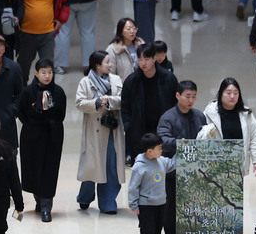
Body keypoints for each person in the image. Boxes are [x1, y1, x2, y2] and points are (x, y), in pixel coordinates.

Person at [157, 80, 205, 234]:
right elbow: (161, 139)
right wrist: (179, 143)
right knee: (172, 206)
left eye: (193, 97)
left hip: (194, 169)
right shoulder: (168, 117)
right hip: (173, 170)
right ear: (178, 96)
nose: (190, 100)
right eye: (187, 96)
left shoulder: (199, 116)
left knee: (193, 205)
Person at [76, 51, 126, 214]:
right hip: (93, 130)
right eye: (107, 62)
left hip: (111, 129)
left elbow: (123, 99)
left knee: (110, 166)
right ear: (97, 65)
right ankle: (85, 196)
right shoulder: (85, 82)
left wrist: (109, 100)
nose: (110, 65)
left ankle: (107, 202)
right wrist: (96, 103)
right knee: (92, 166)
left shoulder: (116, 80)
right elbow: (80, 103)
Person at [17, 59, 67, 222]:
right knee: (32, 169)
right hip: (32, 136)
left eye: (50, 72)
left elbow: (62, 115)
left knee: (49, 171)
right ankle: (39, 200)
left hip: (52, 136)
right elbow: (21, 113)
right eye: (44, 72)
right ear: (36, 73)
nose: (47, 76)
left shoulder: (58, 92)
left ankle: (46, 207)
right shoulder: (27, 92)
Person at [120, 43, 179, 165]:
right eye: (140, 59)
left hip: (162, 130)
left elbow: (175, 104)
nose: (143, 63)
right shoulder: (131, 81)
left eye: (146, 59)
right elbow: (125, 107)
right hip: (139, 132)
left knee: (163, 167)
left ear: (154, 58)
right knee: (142, 168)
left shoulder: (168, 78)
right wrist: (129, 127)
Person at [197, 78, 256, 178]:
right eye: (228, 93)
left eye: (235, 93)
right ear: (221, 94)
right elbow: (200, 138)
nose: (232, 96)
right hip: (215, 164)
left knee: (234, 192)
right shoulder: (210, 113)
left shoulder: (246, 114)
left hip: (237, 164)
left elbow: (255, 137)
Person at [127, 134, 174, 234]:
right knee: (147, 232)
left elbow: (172, 164)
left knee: (157, 231)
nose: (162, 150)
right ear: (149, 151)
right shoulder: (139, 167)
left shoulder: (161, 161)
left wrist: (183, 150)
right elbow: (132, 188)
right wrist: (134, 205)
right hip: (146, 206)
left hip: (161, 204)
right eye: (159, 148)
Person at [15, 0, 69, 78]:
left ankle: (46, 93)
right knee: (23, 65)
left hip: (47, 34)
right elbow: (13, 2)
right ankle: (21, 92)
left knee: (47, 69)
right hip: (26, 33)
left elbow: (65, 3)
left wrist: (61, 20)